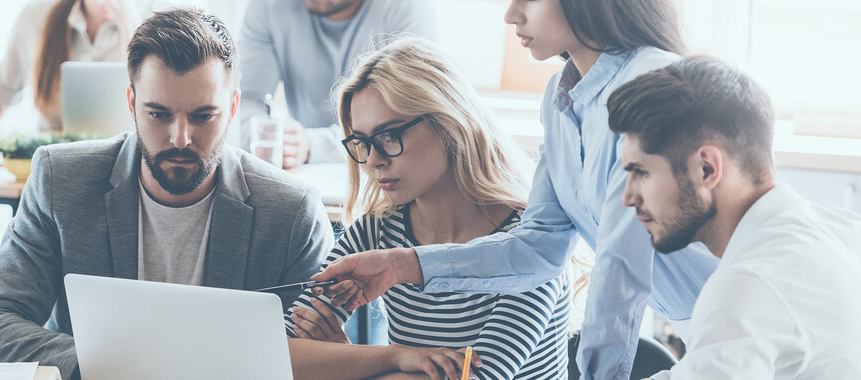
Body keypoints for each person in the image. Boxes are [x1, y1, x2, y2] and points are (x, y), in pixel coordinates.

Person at [310, 1, 722, 379]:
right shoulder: (561, 98)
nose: (511, 15)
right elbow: (537, 247)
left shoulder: (647, 85)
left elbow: (621, 274)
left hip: (737, 313)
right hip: (704, 326)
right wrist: (405, 265)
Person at [0, 8, 333, 379]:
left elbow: (314, 356)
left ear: (233, 107)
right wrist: (104, 367)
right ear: (131, 104)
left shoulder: (292, 212)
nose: (180, 138)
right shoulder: (60, 182)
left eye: (204, 116)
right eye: (158, 114)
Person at [283, 37, 571, 380]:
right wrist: (397, 356)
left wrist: (345, 362)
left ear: (448, 123)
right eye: (361, 142)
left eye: (389, 136)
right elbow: (282, 352)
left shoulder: (530, 246)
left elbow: (471, 377)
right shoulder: (378, 230)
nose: (373, 160)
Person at [606, 56, 861, 380]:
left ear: (707, 169)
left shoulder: (748, 286)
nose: (628, 198)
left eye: (641, 172)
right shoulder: (842, 230)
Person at [237, 0, 441, 169]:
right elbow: (242, 104)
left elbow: (412, 123)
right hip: (305, 173)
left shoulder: (410, 7)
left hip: (385, 169)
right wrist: (277, 139)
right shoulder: (265, 6)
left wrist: (312, 145)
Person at [0, 0, 174, 129]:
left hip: (132, 169)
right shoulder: (36, 15)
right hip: (54, 170)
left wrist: (127, 20)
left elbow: (158, 117)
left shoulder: (166, 19)